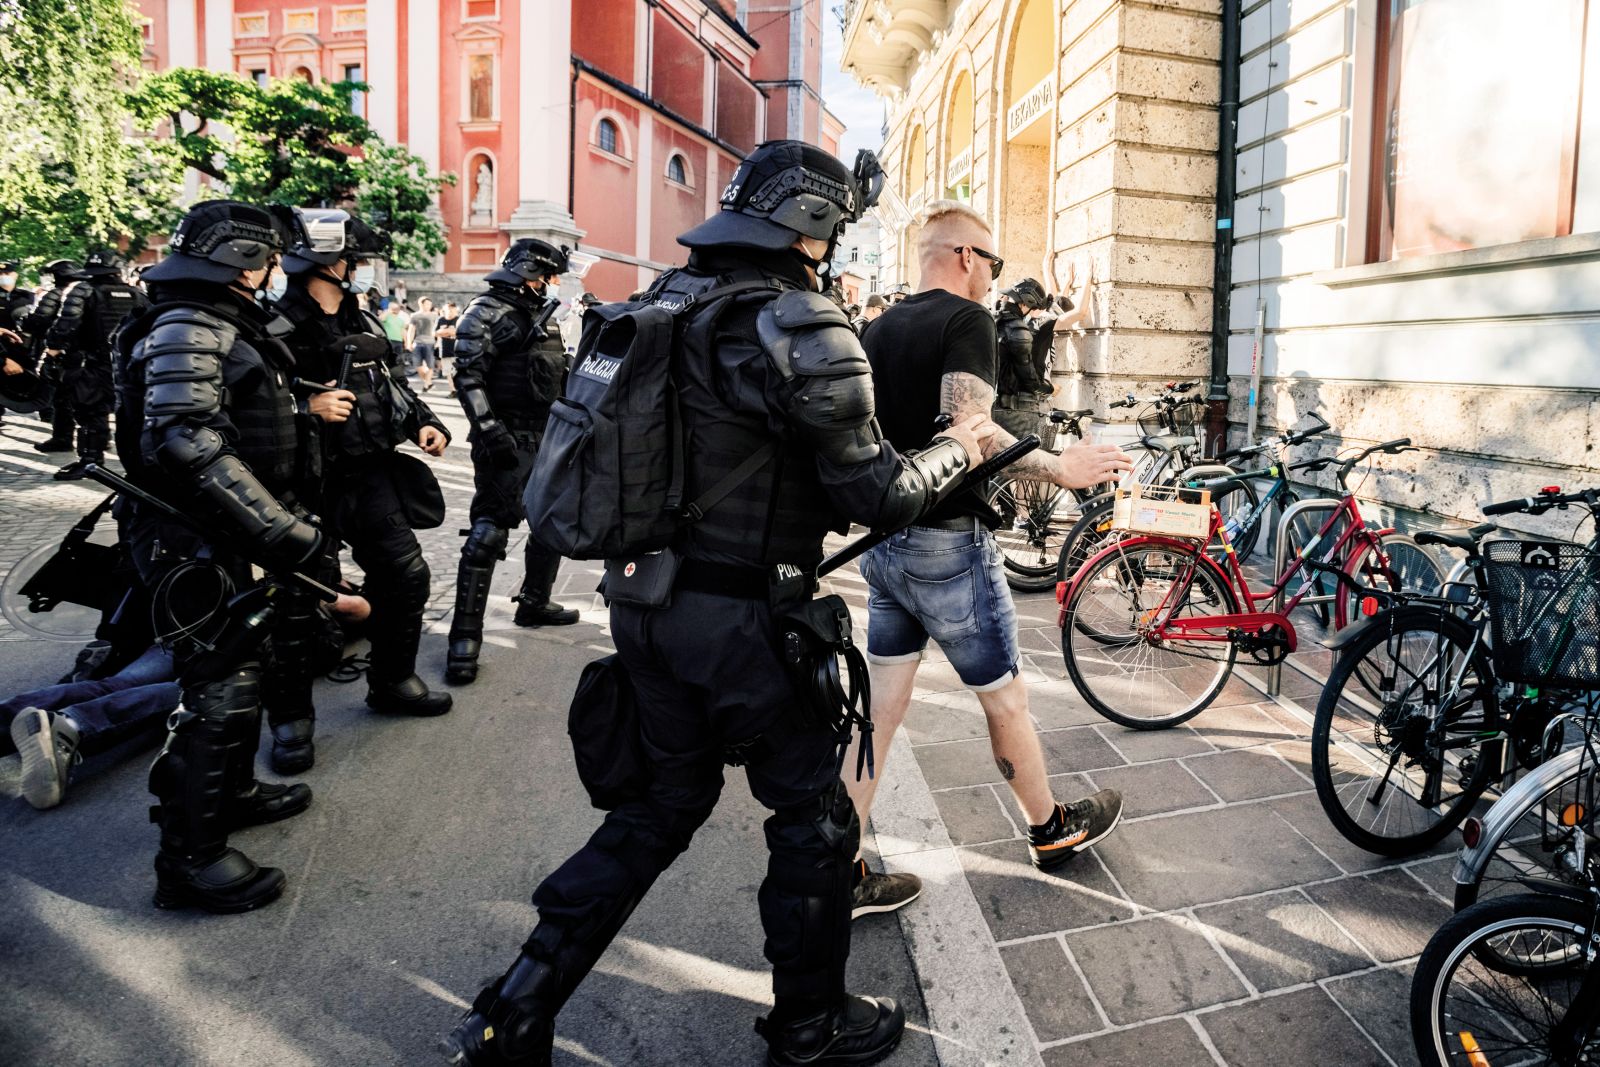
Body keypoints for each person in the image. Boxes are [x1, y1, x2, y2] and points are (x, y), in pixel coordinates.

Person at [442, 140, 990, 1067]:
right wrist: (965, 446)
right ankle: (810, 1027)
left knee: (657, 808)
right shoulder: (800, 319)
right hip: (747, 620)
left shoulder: (662, 301)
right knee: (812, 821)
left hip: (643, 601)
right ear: (811, 225)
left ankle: (516, 1008)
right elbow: (879, 496)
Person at [849, 200, 1134, 894]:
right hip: (948, 542)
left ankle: (840, 862)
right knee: (1005, 699)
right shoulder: (966, 318)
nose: (993, 279)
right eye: (993, 263)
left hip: (885, 541)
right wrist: (1060, 465)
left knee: (879, 708)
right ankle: (1050, 827)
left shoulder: (873, 328)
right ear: (966, 258)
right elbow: (967, 427)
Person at [114, 200, 326, 914]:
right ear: (238, 259)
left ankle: (230, 795)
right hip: (191, 536)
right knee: (219, 684)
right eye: (265, 259)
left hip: (223, 532)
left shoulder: (215, 320)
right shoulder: (187, 323)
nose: (273, 273)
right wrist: (281, 531)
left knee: (247, 669)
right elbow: (183, 439)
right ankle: (189, 859)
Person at [272, 208, 453, 767]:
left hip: (370, 473)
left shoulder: (368, 321)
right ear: (330, 264)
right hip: (304, 482)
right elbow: (243, 406)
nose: (362, 269)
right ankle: (291, 721)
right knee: (296, 601)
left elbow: (395, 389)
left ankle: (392, 680)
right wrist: (305, 406)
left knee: (405, 575)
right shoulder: (273, 328)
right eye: (354, 259)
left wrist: (425, 422)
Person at [444, 239, 578, 685]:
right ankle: (464, 639)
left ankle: (535, 601)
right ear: (528, 274)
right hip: (506, 437)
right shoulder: (485, 312)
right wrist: (488, 429)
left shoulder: (535, 314)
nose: (550, 285)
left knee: (550, 521)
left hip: (545, 433)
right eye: (546, 276)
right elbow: (467, 373)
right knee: (488, 532)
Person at [5, 645, 180, 809]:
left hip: (180, 638)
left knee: (115, 684)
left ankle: (5, 716)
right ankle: (68, 725)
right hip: (201, 650)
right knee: (190, 693)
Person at [44, 248, 151, 479]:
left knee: (91, 412)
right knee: (132, 413)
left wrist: (52, 354)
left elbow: (65, 327)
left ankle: (92, 461)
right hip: (128, 362)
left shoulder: (83, 291)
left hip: (92, 362)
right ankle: (139, 464)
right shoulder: (136, 293)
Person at [23, 261, 86, 451]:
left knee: (62, 397)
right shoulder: (90, 292)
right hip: (95, 353)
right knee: (90, 398)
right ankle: (94, 439)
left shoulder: (57, 294)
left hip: (63, 352)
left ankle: (63, 438)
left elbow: (39, 321)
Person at [408, 296, 441, 391]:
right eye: (427, 304)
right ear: (421, 304)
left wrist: (438, 341)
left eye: (430, 304)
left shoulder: (434, 316)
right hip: (417, 342)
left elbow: (438, 330)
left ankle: (426, 385)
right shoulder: (414, 315)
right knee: (418, 366)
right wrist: (409, 343)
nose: (429, 306)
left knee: (430, 365)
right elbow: (411, 330)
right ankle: (429, 382)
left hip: (430, 343)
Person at [436, 300, 460, 396]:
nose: (450, 312)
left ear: (455, 310)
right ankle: (453, 390)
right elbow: (434, 333)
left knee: (457, 371)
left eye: (452, 310)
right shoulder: (440, 320)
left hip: (457, 350)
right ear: (444, 310)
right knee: (448, 372)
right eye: (448, 310)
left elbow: (458, 332)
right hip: (444, 349)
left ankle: (459, 389)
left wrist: (443, 331)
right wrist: (449, 331)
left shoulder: (459, 319)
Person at [379, 300, 410, 364]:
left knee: (398, 359)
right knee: (388, 358)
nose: (396, 309)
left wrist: (406, 342)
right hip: (389, 340)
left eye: (397, 308)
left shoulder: (400, 320)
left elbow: (403, 331)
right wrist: (388, 311)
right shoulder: (387, 317)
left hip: (399, 341)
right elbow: (380, 319)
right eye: (394, 308)